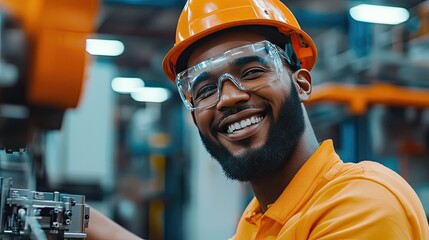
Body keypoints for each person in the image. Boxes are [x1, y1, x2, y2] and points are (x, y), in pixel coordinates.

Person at [159, 0, 429, 239]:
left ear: (301, 84)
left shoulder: (363, 203)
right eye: (205, 90)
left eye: (252, 71)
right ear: (195, 118)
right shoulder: (255, 222)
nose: (227, 98)